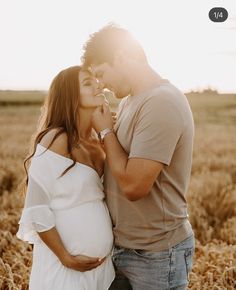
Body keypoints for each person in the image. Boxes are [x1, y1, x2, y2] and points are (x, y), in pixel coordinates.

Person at [82, 23, 195, 290]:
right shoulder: (130, 101)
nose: (102, 85)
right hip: (128, 248)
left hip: (155, 254)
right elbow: (116, 163)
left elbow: (134, 186)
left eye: (101, 73)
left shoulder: (160, 102)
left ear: (121, 55)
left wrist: (105, 131)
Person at [16, 65, 115, 290]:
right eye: (88, 83)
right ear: (70, 95)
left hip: (103, 269)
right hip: (64, 270)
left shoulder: (98, 141)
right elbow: (36, 208)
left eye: (96, 80)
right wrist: (65, 257)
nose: (98, 85)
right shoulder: (56, 139)